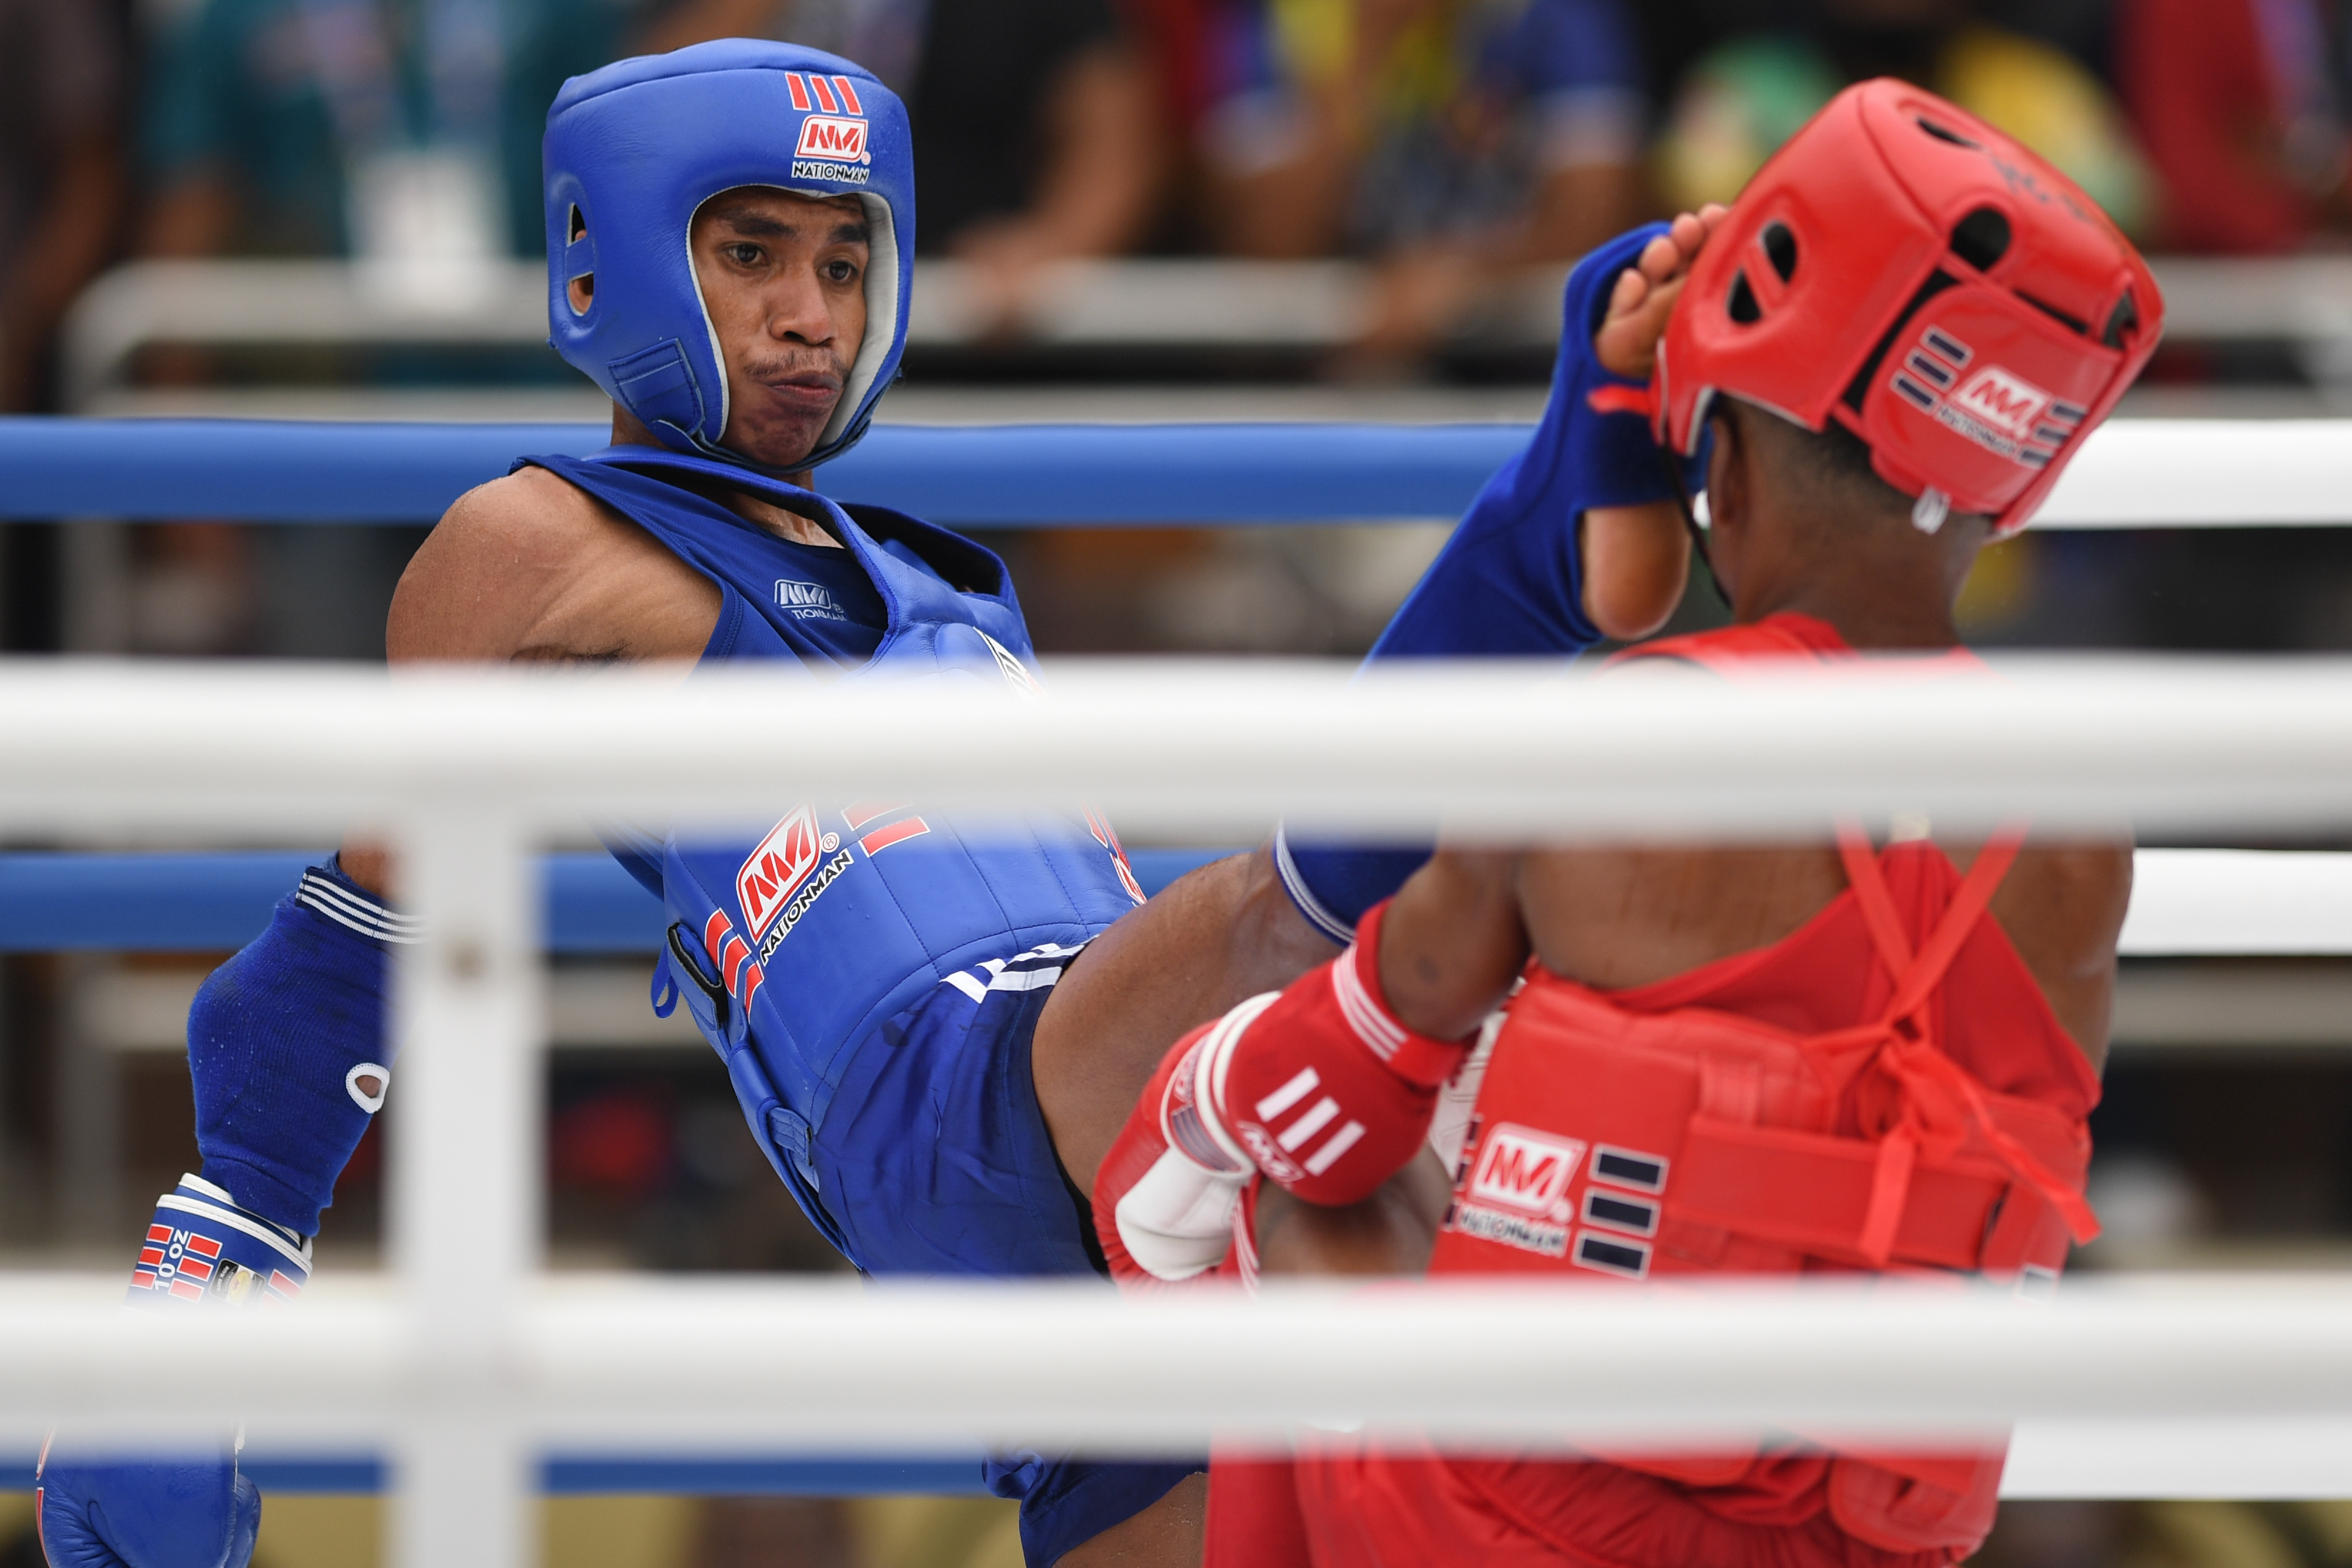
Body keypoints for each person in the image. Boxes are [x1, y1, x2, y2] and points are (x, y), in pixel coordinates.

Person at [36, 37, 1698, 1568]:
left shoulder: (941, 583)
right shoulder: (538, 544)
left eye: (843, 262)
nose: (810, 312)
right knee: (1325, 912)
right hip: (958, 1083)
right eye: (748, 253)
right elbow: (348, 935)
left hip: (1121, 1133)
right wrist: (216, 1264)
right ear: (608, 254)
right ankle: (1546, 534)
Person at [1095, 78, 2161, 1566]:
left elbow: (1349, 1061)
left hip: (1505, 1522)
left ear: (1715, 452)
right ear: (2015, 479)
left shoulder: (1625, 738)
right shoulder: (2077, 838)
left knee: (1276, 1164)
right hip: (1861, 1545)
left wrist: (1197, 1103)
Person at [1195, 0, 1651, 366]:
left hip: (1506, 360)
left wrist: (1461, 275)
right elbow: (1269, 243)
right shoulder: (1279, 20)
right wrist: (1369, 54)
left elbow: (1599, 216)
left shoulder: (1549, 16)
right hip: (1315, 367)